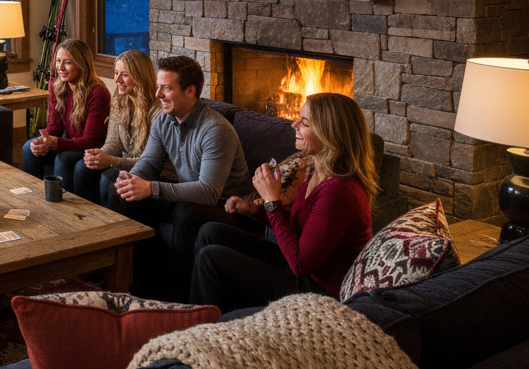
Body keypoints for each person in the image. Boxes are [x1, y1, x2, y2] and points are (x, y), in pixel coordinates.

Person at [188, 93, 377, 312]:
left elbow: (300, 264)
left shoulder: (339, 192)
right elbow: (300, 229)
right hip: (301, 269)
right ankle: (209, 313)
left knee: (211, 259)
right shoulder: (315, 168)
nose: (293, 125)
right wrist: (254, 211)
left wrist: (272, 201)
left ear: (330, 135)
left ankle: (201, 330)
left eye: (304, 123)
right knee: (211, 232)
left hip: (320, 292)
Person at [108, 55, 253, 301]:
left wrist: (151, 188)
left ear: (190, 91)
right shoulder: (163, 119)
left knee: (186, 212)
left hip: (226, 207)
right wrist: (131, 179)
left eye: (166, 88)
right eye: (158, 87)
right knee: (118, 191)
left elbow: (208, 192)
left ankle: (177, 299)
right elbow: (150, 163)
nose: (158, 95)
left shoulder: (215, 130)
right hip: (189, 196)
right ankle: (138, 281)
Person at [73, 50, 174, 207]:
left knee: (109, 177)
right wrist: (99, 155)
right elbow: (113, 143)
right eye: (116, 73)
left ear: (140, 76)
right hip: (127, 164)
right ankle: (84, 220)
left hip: (152, 175)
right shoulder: (120, 101)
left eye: (125, 75)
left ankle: (111, 227)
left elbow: (150, 163)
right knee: (83, 166)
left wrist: (112, 161)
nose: (117, 79)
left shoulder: (158, 112)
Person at [22, 39, 110, 190]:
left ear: (82, 64)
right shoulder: (59, 86)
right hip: (71, 143)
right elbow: (54, 129)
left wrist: (55, 142)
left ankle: (64, 209)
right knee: (28, 148)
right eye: (58, 61)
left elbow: (90, 141)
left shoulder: (97, 93)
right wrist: (44, 141)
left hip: (93, 148)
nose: (60, 67)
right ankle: (32, 198)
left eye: (67, 62)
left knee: (65, 158)